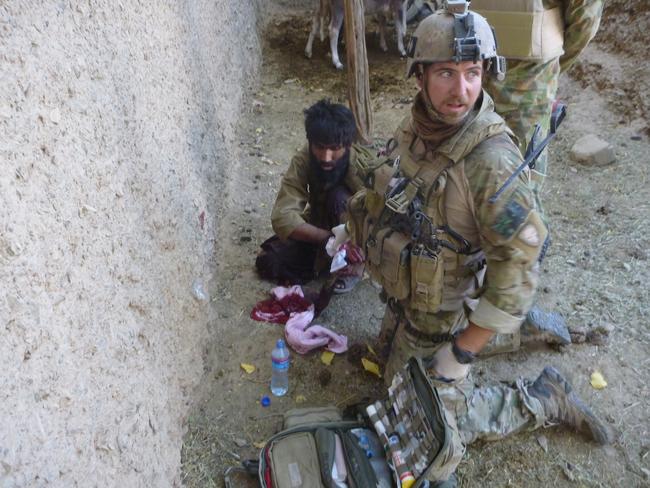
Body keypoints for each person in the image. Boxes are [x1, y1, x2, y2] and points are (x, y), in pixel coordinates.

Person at [343, 3, 611, 484]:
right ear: (420, 76)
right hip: (414, 297)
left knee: (414, 422)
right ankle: (520, 333)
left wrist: (461, 354)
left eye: (473, 72)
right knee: (384, 368)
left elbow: (520, 264)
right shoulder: (418, 125)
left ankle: (543, 398)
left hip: (446, 307)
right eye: (446, 72)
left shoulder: (490, 161)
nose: (461, 90)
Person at [255, 99, 373, 292]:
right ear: (310, 142)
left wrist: (357, 245)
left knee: (338, 197)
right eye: (319, 147)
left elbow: (380, 216)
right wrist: (329, 239)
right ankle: (328, 260)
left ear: (348, 145)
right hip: (321, 228)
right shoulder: (304, 160)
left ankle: (353, 268)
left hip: (357, 233)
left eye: (334, 149)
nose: (326, 157)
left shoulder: (364, 166)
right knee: (269, 261)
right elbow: (283, 215)